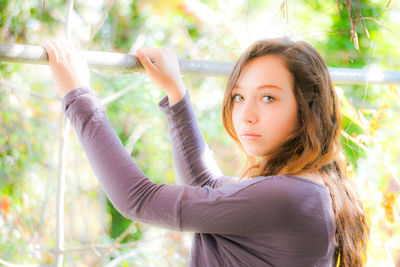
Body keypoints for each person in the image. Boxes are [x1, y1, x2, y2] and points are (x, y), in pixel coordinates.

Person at [44, 37, 370, 267]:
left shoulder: (289, 197)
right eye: (239, 97)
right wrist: (175, 92)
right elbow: (206, 184)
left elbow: (138, 200)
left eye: (268, 98)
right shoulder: (311, 188)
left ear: (308, 109)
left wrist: (77, 94)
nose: (246, 114)